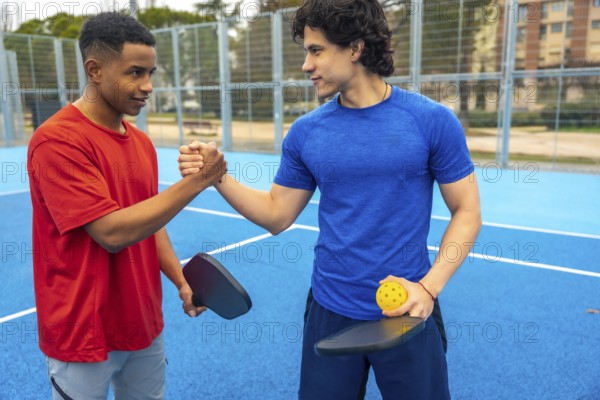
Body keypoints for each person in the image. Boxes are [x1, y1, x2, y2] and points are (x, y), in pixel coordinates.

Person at [179, 0, 481, 398]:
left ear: (355, 48)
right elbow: (276, 215)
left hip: (409, 312)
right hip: (329, 309)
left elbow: (468, 211)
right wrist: (218, 177)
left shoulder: (430, 121)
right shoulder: (306, 132)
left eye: (316, 50)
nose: (306, 65)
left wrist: (428, 288)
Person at [27, 12, 226, 399]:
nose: (147, 86)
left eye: (151, 73)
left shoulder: (141, 143)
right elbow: (112, 233)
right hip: (83, 330)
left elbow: (149, 221)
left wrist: (181, 280)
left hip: (142, 322)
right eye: (135, 72)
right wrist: (199, 181)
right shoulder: (58, 141)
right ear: (95, 69)